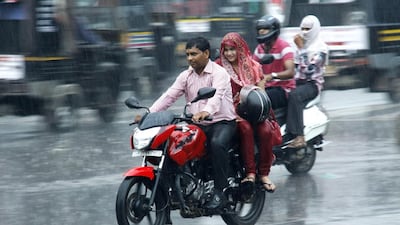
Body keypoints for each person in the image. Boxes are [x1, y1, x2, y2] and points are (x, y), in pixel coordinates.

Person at [145, 37, 237, 210]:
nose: (190, 58)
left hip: (222, 122)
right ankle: (178, 187)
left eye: (194, 54)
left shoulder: (219, 73)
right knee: (172, 143)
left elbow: (216, 97)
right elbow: (169, 96)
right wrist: (149, 113)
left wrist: (206, 112)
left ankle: (221, 192)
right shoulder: (186, 76)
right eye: (187, 54)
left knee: (217, 144)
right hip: (197, 123)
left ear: (206, 53)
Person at [216, 32, 276, 192]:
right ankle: (250, 173)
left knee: (266, 130)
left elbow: (260, 91)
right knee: (246, 129)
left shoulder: (254, 66)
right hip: (231, 110)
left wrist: (259, 108)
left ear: (240, 48)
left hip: (254, 108)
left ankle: (264, 173)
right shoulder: (218, 68)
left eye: (232, 49)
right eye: (226, 50)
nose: (229, 53)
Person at [286, 15, 329, 148]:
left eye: (308, 29)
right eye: (303, 28)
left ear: (315, 29)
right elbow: (295, 66)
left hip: (312, 85)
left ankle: (300, 136)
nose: (305, 32)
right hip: (298, 82)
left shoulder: (321, 48)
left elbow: (309, 70)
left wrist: (301, 49)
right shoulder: (301, 45)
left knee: (295, 96)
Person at [252, 15, 296, 110]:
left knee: (260, 101)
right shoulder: (260, 49)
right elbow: (252, 67)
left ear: (274, 30)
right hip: (265, 87)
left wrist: (270, 76)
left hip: (283, 89)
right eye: (260, 29)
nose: (261, 31)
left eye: (265, 28)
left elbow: (291, 72)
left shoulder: (284, 47)